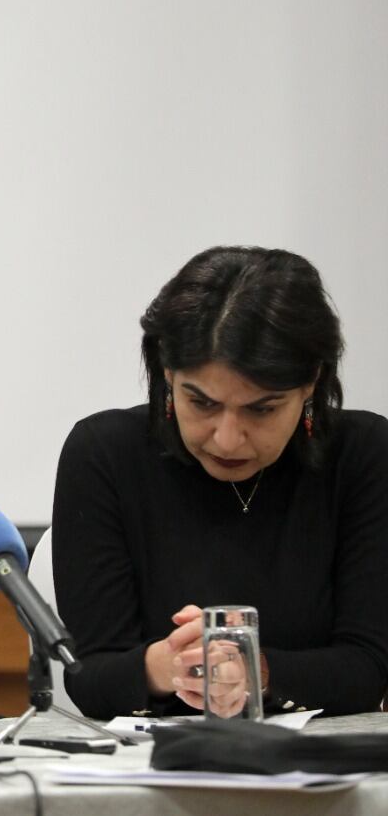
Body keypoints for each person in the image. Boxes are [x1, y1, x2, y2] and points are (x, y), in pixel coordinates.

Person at [52, 246, 388, 719]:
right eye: (202, 403)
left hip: (320, 768)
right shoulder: (105, 454)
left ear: (311, 382)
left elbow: (368, 667)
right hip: (151, 768)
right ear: (168, 374)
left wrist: (254, 671)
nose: (228, 440)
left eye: (262, 409)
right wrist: (172, 666)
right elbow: (90, 676)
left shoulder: (364, 454)